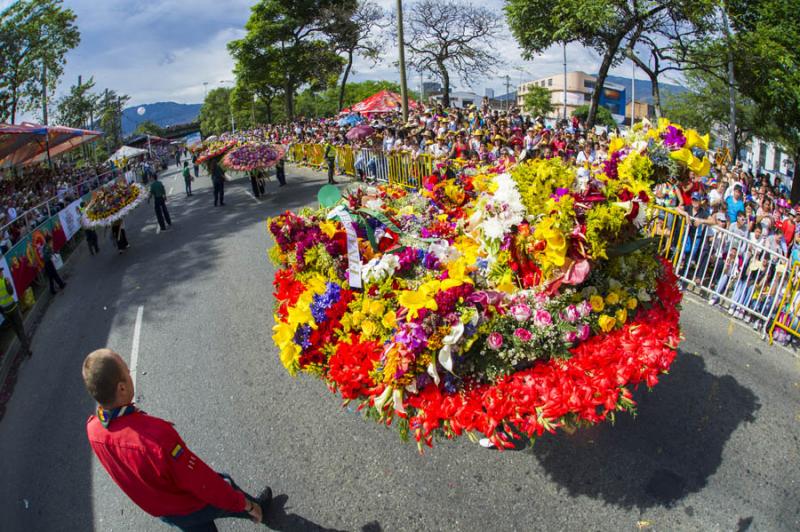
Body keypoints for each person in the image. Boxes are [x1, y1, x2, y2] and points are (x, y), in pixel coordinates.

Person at [82, 349, 272, 531]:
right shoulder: (156, 438)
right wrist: (244, 504)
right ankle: (258, 510)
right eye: (127, 371)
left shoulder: (93, 429)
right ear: (121, 388)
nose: (130, 374)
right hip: (188, 503)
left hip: (164, 510)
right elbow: (202, 482)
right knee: (225, 484)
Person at [0, 274, 32, 357]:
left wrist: (3, 312)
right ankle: (26, 347)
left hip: (6, 311)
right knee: (20, 327)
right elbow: (11, 292)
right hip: (13, 308)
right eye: (1, 272)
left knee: (15, 328)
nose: (2, 273)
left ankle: (22, 342)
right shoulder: (5, 281)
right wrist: (9, 283)